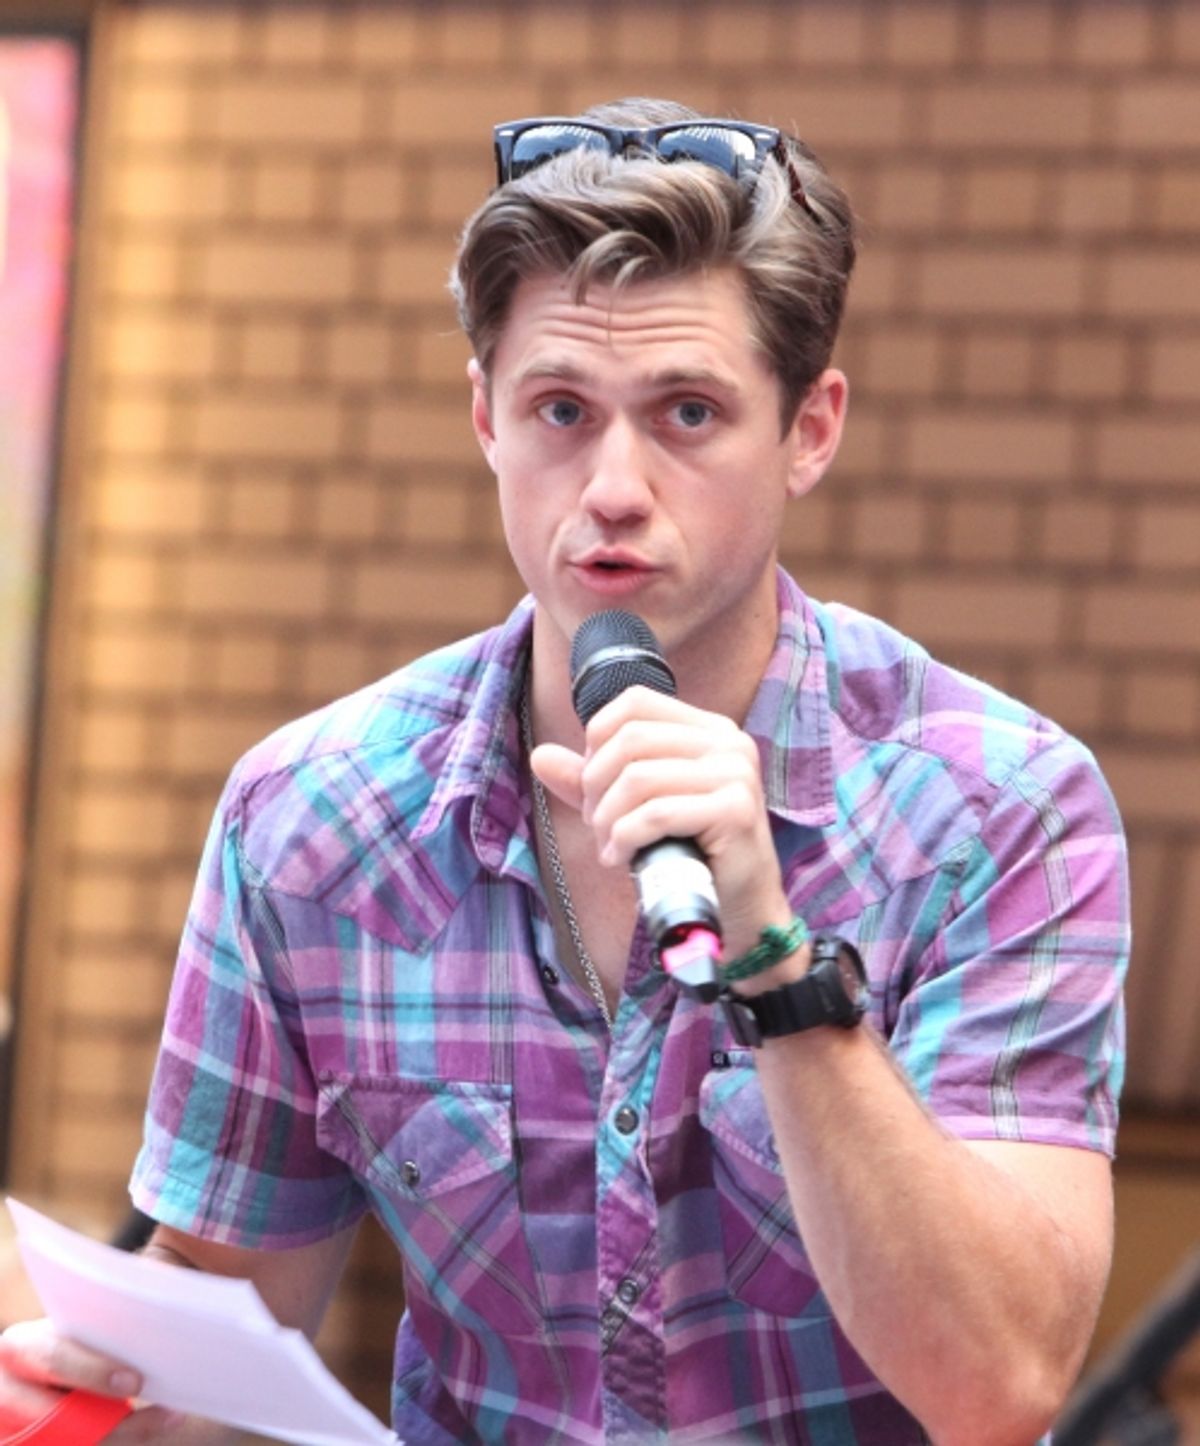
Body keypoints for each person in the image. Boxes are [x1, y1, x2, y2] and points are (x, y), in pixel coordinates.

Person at [0, 97, 1128, 1445]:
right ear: (484, 416)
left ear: (811, 430)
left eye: (688, 413)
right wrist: (96, 1391)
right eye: (560, 409)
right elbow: (229, 1321)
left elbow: (999, 1386)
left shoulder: (997, 810)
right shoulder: (314, 818)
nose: (611, 485)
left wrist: (776, 960)